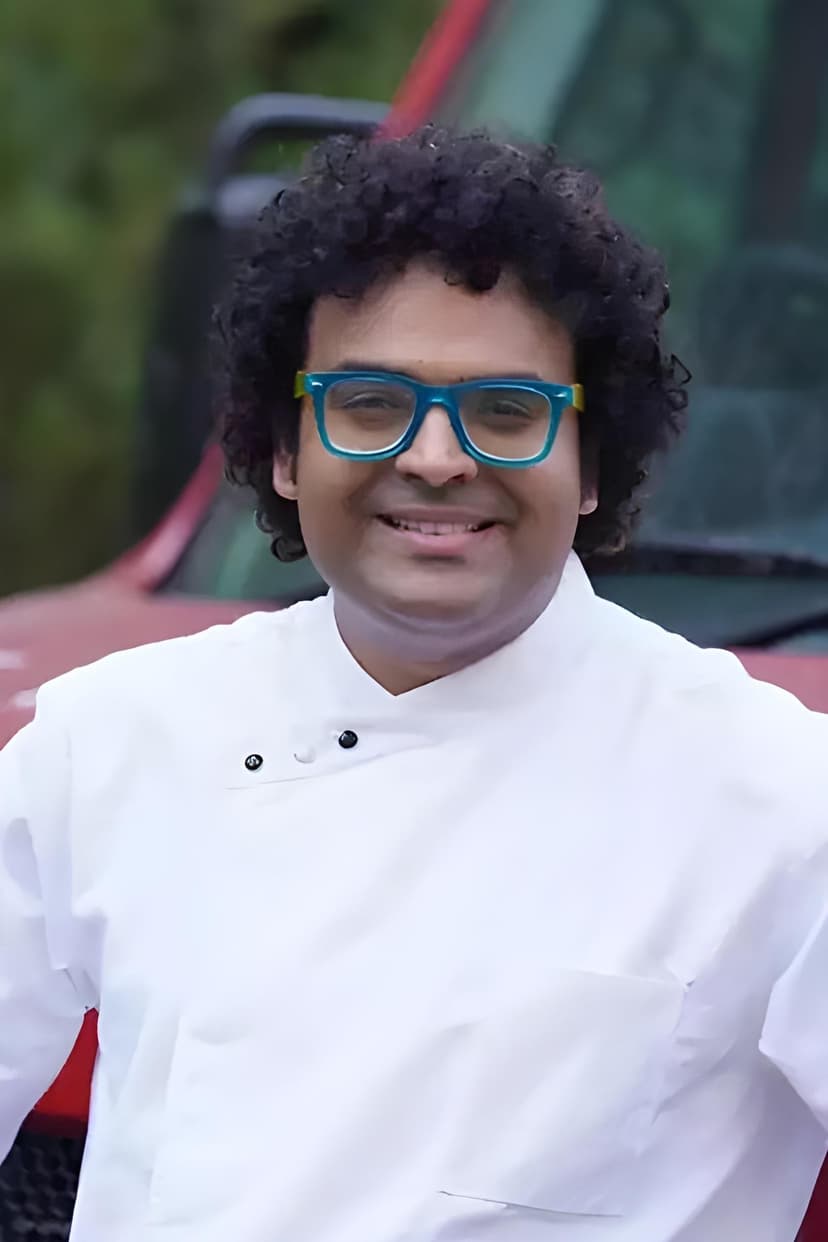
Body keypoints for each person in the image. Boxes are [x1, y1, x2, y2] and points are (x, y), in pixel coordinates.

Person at [1, 125, 826, 1242]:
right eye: (372, 403)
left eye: (507, 411)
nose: (437, 457)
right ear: (285, 448)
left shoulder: (780, 800)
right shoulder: (108, 742)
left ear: (593, 463)